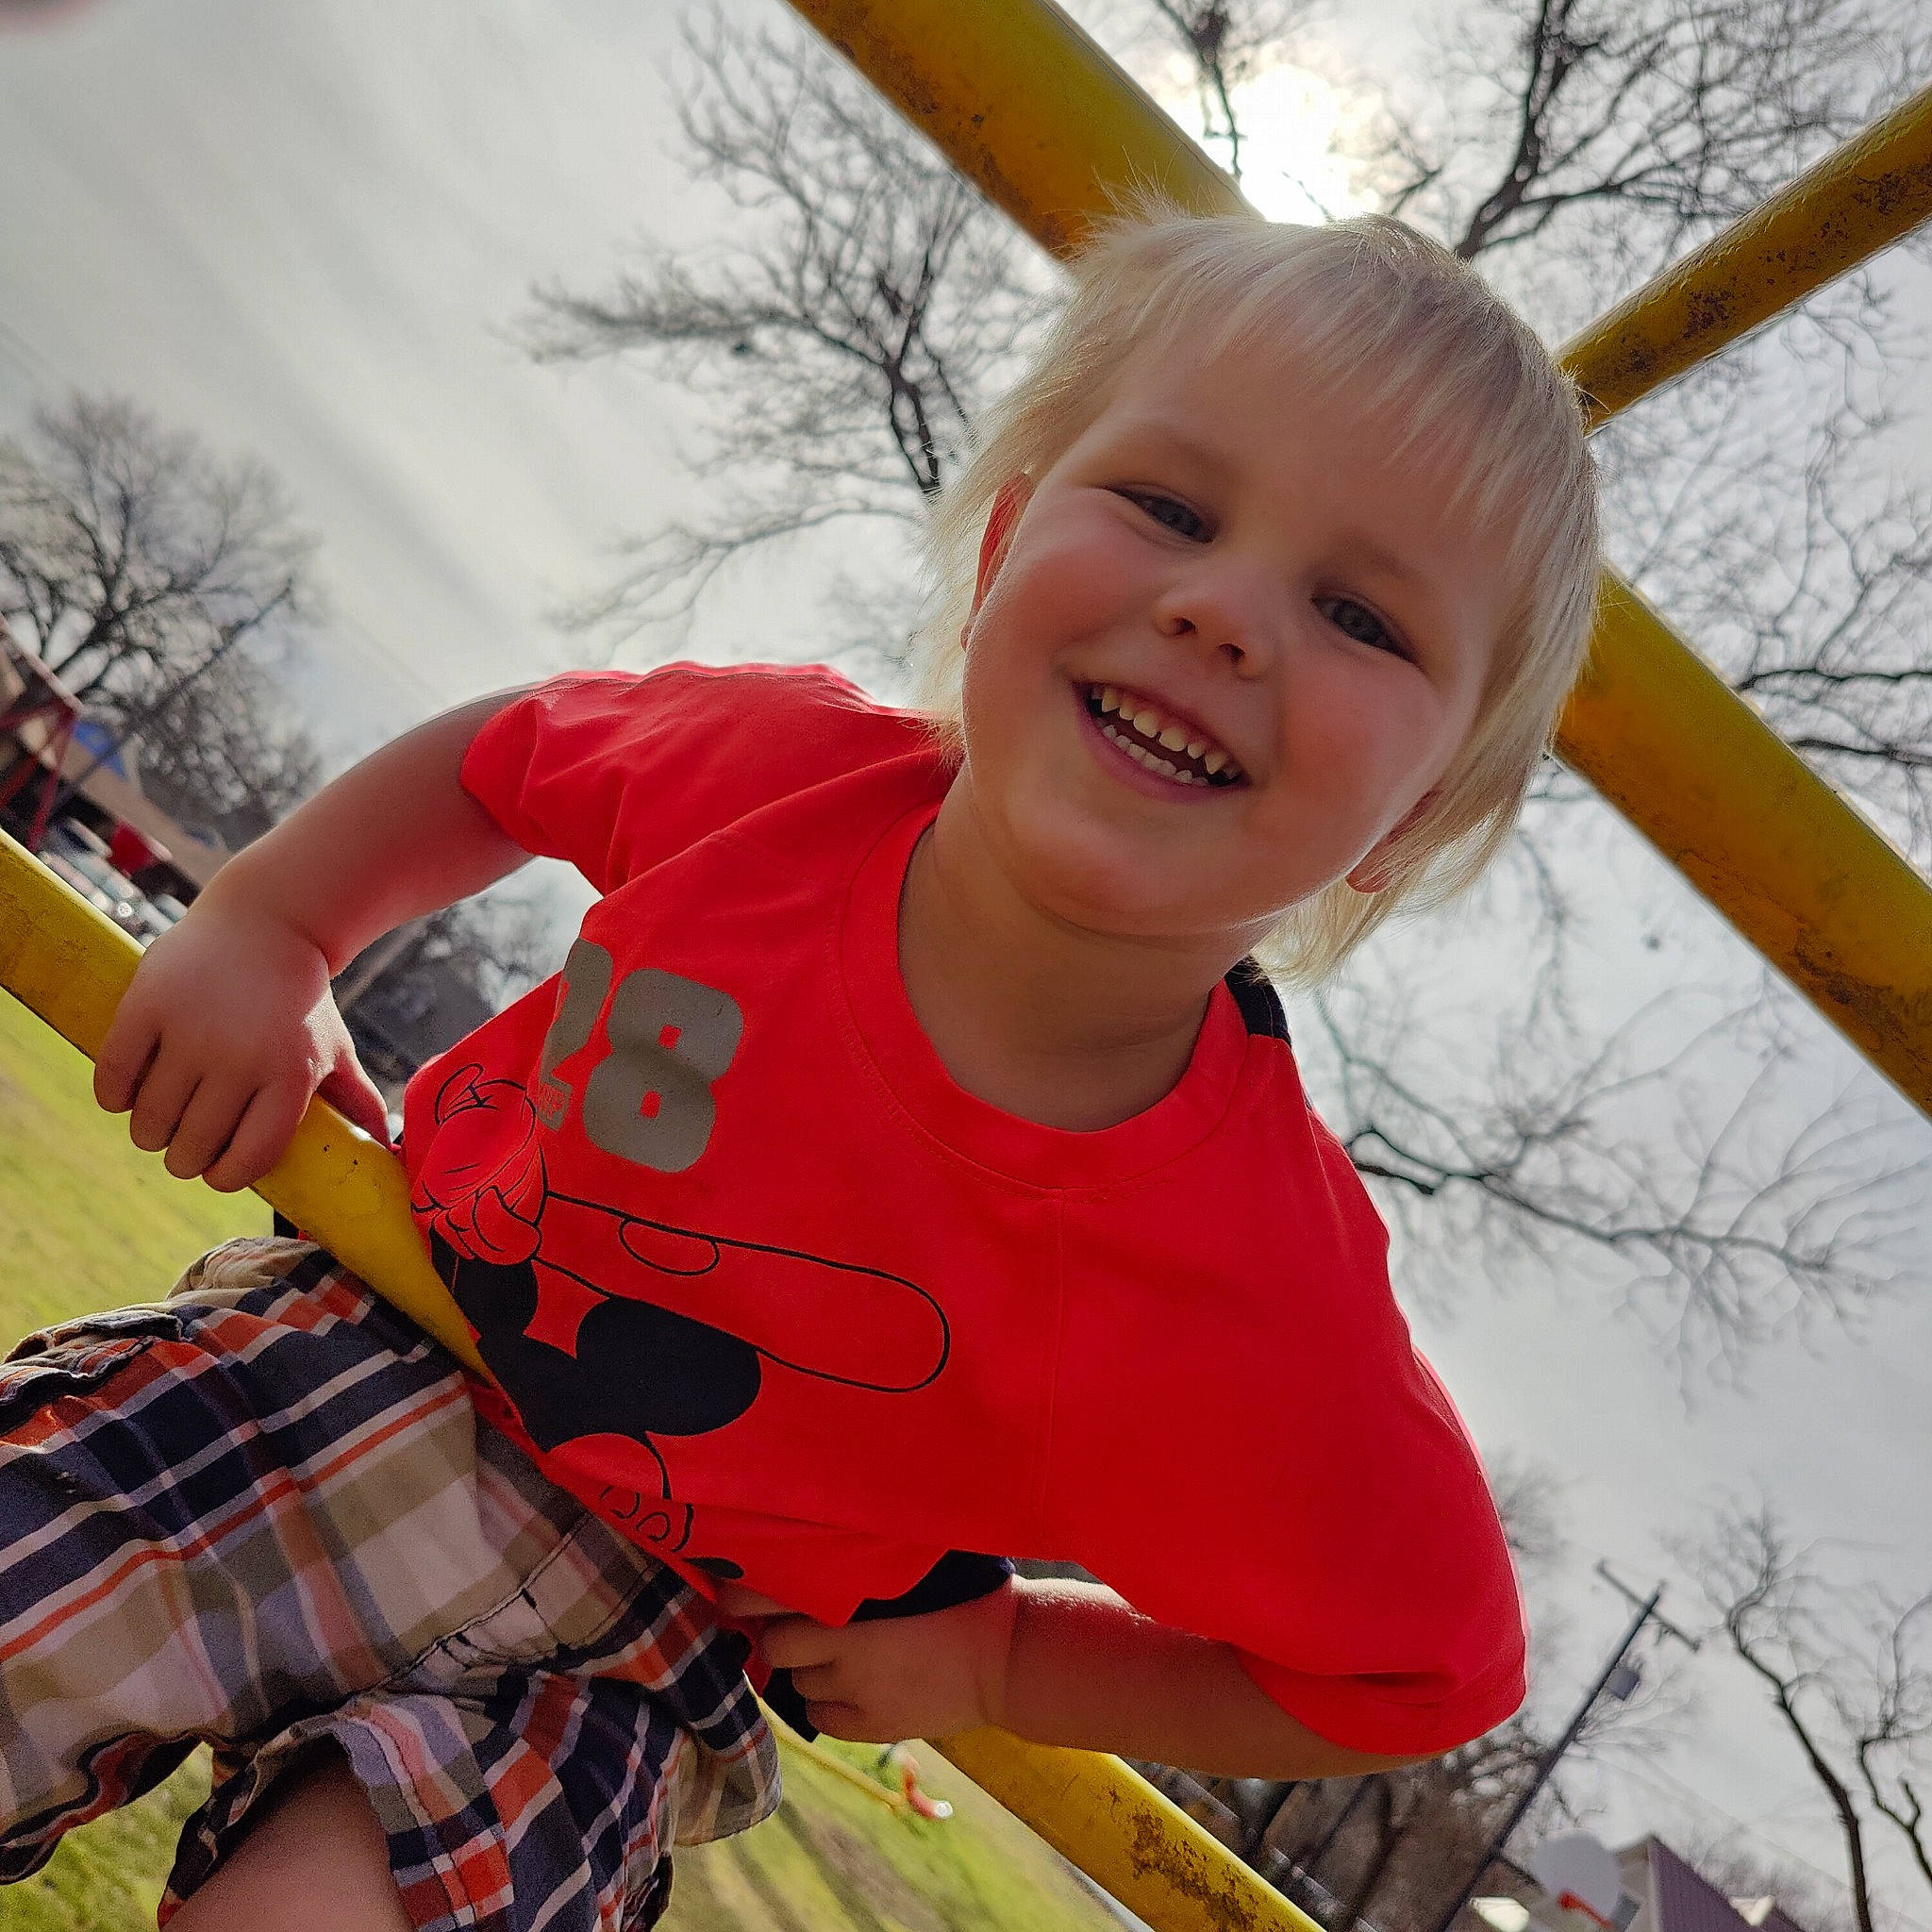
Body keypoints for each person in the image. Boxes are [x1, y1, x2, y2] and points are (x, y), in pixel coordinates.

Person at [0, 208, 1600, 1932]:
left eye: (1361, 613)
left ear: (1411, 819)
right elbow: (509, 760)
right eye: (1168, 507)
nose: (1220, 610)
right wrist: (276, 922)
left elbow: (1427, 1670)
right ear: (1000, 551)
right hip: (353, 1345)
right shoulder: (786, 778)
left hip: (624, 1668)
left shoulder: (1262, 1291)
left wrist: (1005, 1658)